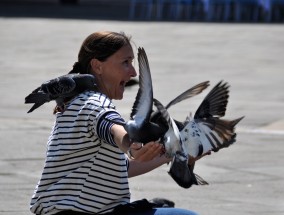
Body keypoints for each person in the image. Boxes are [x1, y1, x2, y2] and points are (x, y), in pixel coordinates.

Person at [30, 31, 198, 215]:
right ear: (97, 66)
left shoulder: (75, 102)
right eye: (125, 62)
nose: (133, 72)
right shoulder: (95, 103)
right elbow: (112, 127)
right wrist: (131, 145)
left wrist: (176, 154)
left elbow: (119, 168)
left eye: (132, 63)